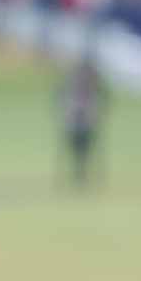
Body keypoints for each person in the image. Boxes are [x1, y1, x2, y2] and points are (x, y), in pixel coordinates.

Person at [58, 54, 109, 189]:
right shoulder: (72, 82)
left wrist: (98, 112)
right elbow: (61, 96)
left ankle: (82, 173)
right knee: (76, 148)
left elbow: (104, 97)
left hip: (86, 121)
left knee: (85, 149)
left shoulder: (93, 82)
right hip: (75, 121)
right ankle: (79, 173)